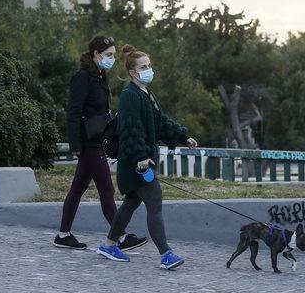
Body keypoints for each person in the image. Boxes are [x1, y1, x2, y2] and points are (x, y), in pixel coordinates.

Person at [96, 44, 198, 270]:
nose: (148, 69)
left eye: (149, 65)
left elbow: (159, 123)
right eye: (143, 67)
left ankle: (109, 245)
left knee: (130, 204)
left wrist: (183, 136)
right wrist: (141, 157)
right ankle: (166, 255)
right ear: (133, 72)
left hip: (140, 160)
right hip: (137, 163)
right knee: (155, 203)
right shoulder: (130, 96)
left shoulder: (145, 93)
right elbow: (130, 130)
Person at [54, 36, 147, 252]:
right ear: (96, 54)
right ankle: (121, 237)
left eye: (113, 55)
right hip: (89, 142)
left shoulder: (100, 75)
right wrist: (75, 145)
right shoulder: (83, 77)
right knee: (106, 187)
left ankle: (63, 234)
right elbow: (74, 112)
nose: (112, 59)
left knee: (77, 188)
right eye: (108, 55)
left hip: (99, 138)